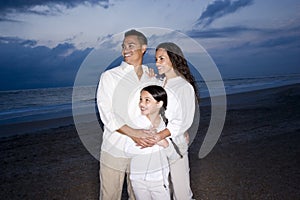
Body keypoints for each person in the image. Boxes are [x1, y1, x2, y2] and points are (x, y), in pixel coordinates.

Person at [96, 29, 159, 200]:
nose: (125, 50)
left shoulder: (151, 77)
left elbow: (160, 108)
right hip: (114, 147)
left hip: (142, 149)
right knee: (110, 196)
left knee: (139, 196)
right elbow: (107, 114)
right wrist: (134, 133)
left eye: (131, 45)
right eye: (123, 46)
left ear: (143, 48)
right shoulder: (110, 77)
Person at [137, 42, 199, 199]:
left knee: (181, 188)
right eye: (156, 59)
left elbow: (182, 121)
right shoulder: (161, 83)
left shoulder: (184, 87)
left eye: (161, 59)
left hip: (174, 142)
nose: (157, 63)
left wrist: (160, 136)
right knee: (164, 186)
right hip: (159, 143)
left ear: (173, 59)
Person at [124, 85, 180, 200]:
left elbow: (174, 156)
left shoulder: (165, 126)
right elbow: (127, 151)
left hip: (159, 180)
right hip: (138, 179)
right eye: (141, 99)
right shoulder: (135, 124)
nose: (141, 104)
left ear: (159, 104)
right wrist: (143, 141)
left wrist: (163, 143)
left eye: (147, 100)